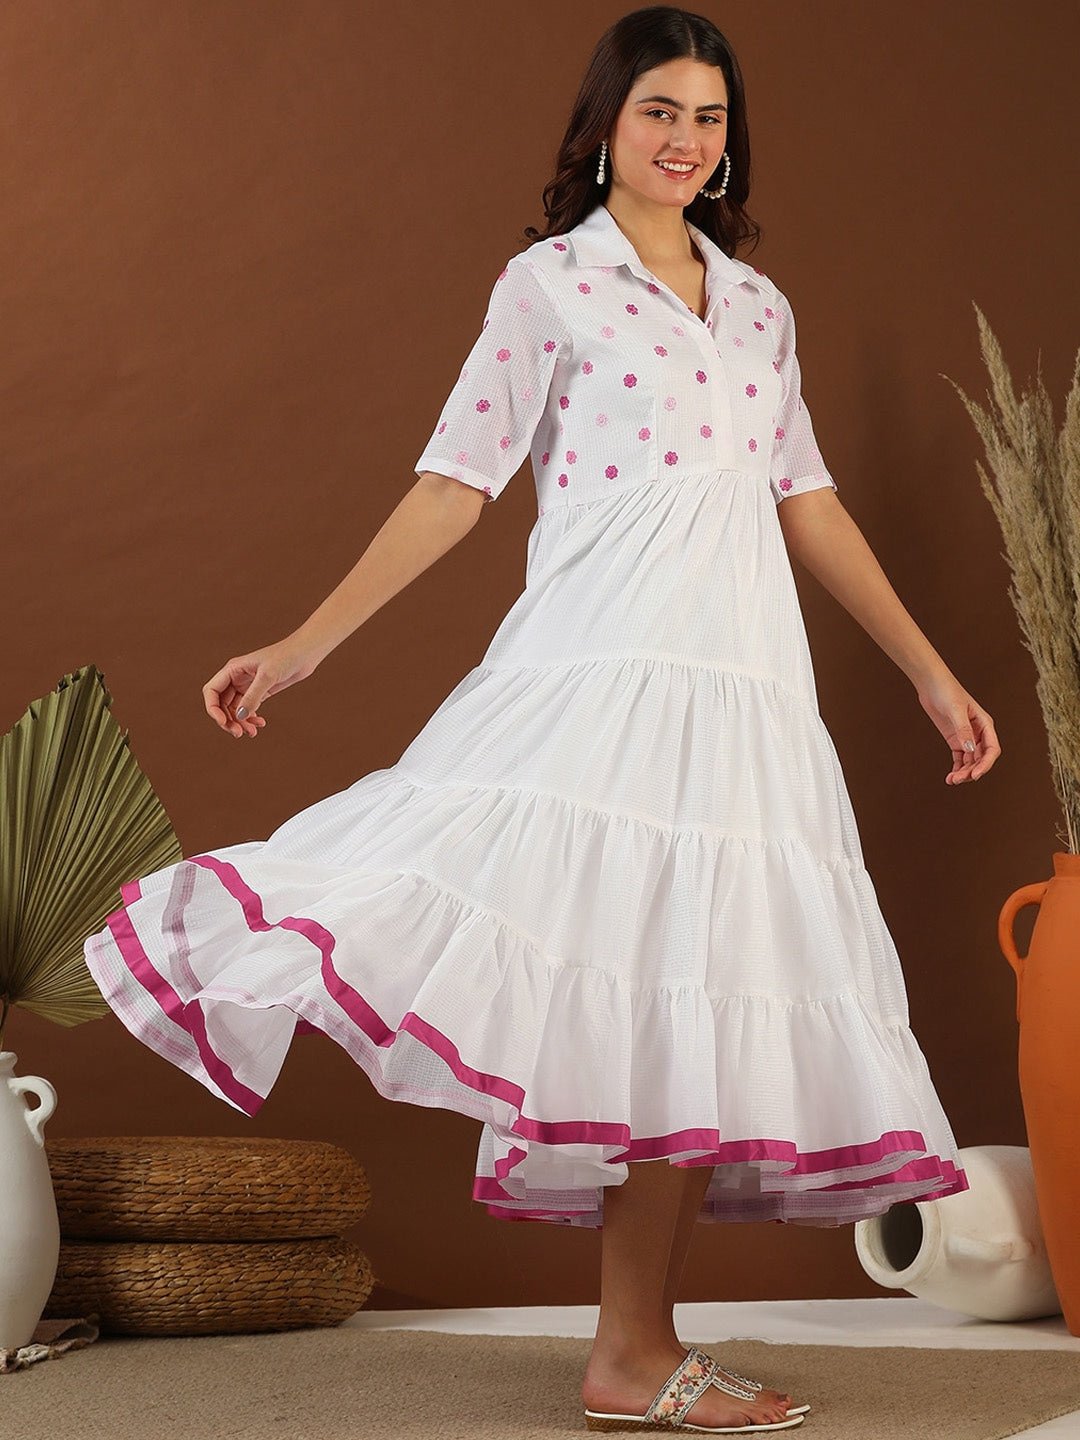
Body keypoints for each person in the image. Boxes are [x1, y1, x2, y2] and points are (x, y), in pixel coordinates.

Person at [84, 6, 1000, 1433]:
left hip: (744, 692)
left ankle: (634, 1355)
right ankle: (635, 1355)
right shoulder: (550, 287)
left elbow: (805, 497)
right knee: (604, 973)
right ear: (604, 128)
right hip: (602, 673)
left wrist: (929, 671)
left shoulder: (759, 308)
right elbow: (457, 482)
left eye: (708, 117)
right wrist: (305, 646)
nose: (685, 140)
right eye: (659, 112)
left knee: (692, 995)